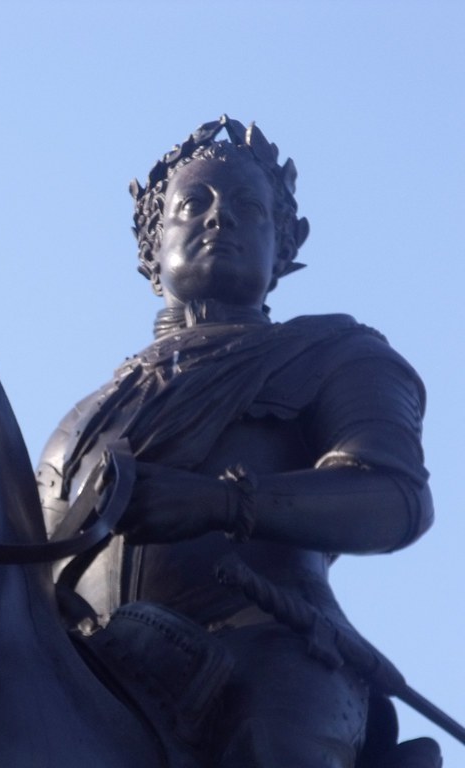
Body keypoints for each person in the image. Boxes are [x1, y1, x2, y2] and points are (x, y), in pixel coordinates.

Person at [37, 116, 434, 767]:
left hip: (266, 657)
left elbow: (394, 498)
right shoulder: (81, 422)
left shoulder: (337, 355)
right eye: (194, 204)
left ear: (285, 244)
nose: (219, 219)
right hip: (91, 667)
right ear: (150, 239)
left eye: (247, 208)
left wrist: (220, 505)